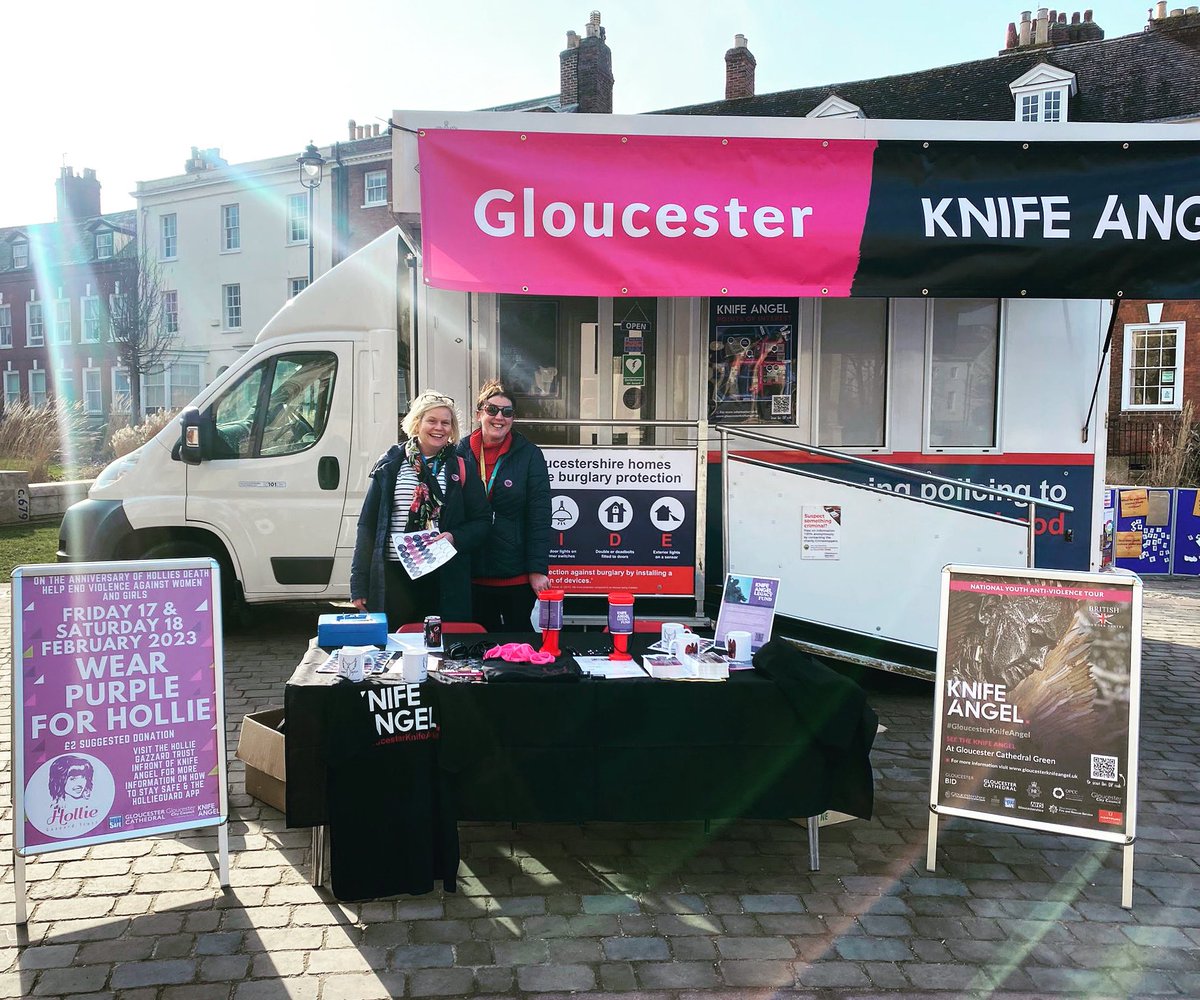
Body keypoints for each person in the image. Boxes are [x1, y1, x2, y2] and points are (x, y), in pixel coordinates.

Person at [351, 391, 491, 628]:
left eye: (445, 422)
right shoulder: (390, 465)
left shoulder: (461, 467)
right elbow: (367, 526)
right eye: (432, 421)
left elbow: (483, 521)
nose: (439, 428)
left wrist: (454, 536)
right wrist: (359, 584)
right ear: (417, 422)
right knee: (397, 648)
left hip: (443, 576)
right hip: (395, 574)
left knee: (441, 649)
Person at [456, 379, 552, 630]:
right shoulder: (459, 452)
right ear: (479, 414)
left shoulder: (530, 455)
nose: (499, 417)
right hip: (471, 573)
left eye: (507, 412)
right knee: (477, 651)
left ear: (513, 418)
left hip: (516, 576)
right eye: (492, 410)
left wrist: (537, 568)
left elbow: (540, 517)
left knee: (519, 651)